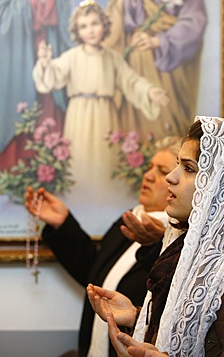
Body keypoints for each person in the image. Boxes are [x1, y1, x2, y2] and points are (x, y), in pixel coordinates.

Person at [25, 136, 180, 357]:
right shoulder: (130, 219)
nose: (148, 175)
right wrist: (63, 223)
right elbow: (95, 274)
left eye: (161, 171)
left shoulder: (183, 239)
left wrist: (155, 246)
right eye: (149, 167)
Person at [87, 117, 224, 357]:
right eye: (176, 165)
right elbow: (183, 327)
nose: (170, 177)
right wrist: (136, 315)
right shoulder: (184, 245)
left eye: (189, 168)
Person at [32, 0, 170, 235]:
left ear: (104, 26)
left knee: (104, 161)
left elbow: (130, 80)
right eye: (84, 26)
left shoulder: (112, 57)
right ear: (77, 31)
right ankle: (82, 199)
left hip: (106, 115)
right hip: (79, 115)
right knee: (81, 160)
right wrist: (45, 63)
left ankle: (102, 196)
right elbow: (52, 77)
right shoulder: (72, 56)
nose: (91, 30)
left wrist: (149, 90)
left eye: (95, 23)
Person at [0, 0, 72, 172]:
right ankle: (14, 165)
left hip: (47, 48)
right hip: (16, 57)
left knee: (47, 104)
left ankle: (49, 166)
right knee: (21, 109)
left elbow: (64, 1)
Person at [104, 0, 207, 139]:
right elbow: (114, 18)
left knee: (168, 123)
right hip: (134, 64)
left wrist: (158, 41)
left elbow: (194, 23)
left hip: (169, 67)